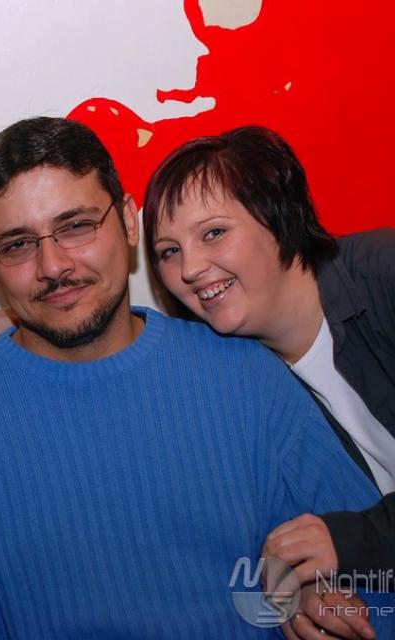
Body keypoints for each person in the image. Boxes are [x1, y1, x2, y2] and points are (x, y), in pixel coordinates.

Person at [0, 117, 394, 639]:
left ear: (128, 221)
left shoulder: (247, 377)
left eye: (76, 226)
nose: (53, 266)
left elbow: (368, 573)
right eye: (18, 244)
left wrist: (320, 598)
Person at [141, 125, 395, 639]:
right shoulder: (231, 373)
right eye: (169, 251)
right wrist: (302, 589)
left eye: (213, 233)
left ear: (279, 216)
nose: (190, 268)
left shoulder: (386, 277)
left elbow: (346, 538)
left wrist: (353, 541)